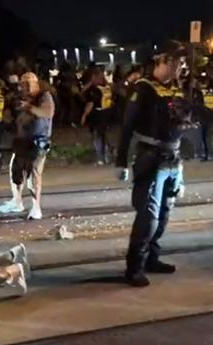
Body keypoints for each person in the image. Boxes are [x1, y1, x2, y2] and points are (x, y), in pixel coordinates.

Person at [115, 41, 194, 287]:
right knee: (148, 216)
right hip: (151, 158)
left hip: (173, 158)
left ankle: (152, 258)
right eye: (177, 63)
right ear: (163, 62)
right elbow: (127, 127)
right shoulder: (144, 88)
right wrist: (122, 162)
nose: (181, 68)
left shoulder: (176, 88)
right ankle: (134, 267)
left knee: (164, 213)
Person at [0, 72, 55, 220]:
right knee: (14, 170)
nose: (25, 87)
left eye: (29, 84)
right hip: (22, 140)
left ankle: (36, 208)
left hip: (38, 140)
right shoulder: (20, 98)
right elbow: (13, 117)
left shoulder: (44, 96)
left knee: (33, 174)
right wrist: (7, 116)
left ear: (36, 83)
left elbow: (47, 113)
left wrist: (29, 107)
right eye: (23, 84)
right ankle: (17, 202)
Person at [81, 68, 114, 165]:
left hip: (97, 115)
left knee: (97, 136)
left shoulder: (95, 90)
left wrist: (84, 115)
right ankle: (107, 156)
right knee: (103, 135)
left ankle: (100, 158)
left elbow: (90, 103)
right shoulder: (107, 88)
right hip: (107, 114)